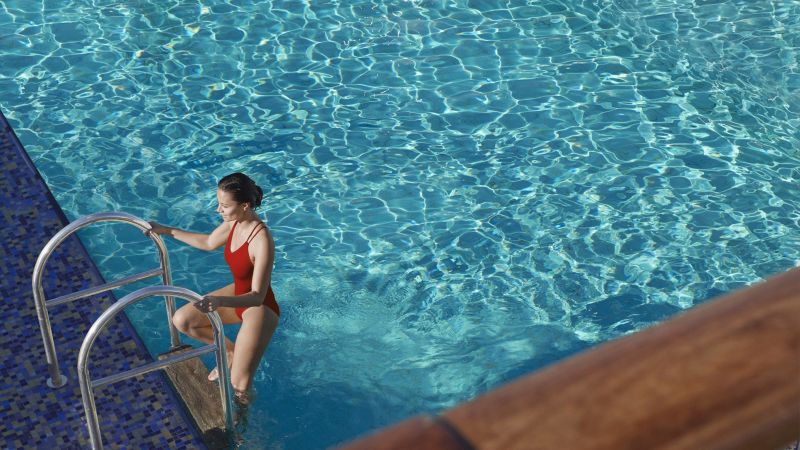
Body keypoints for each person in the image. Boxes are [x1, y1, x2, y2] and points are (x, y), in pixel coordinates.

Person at [148, 172, 280, 400]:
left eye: (225, 206)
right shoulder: (234, 223)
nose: (219, 210)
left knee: (239, 386)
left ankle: (242, 420)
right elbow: (208, 242)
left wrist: (219, 301)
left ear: (245, 205)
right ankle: (230, 352)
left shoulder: (261, 240)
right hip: (237, 294)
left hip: (258, 309)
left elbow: (258, 296)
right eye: (219, 203)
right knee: (183, 320)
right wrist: (165, 230)